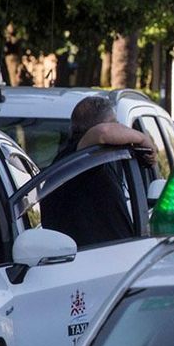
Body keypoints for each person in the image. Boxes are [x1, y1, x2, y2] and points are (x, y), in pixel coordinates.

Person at [41, 96, 156, 248]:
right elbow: (103, 132)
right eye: (116, 123)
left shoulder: (94, 160)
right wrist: (142, 138)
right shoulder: (77, 160)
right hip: (90, 263)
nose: (120, 129)